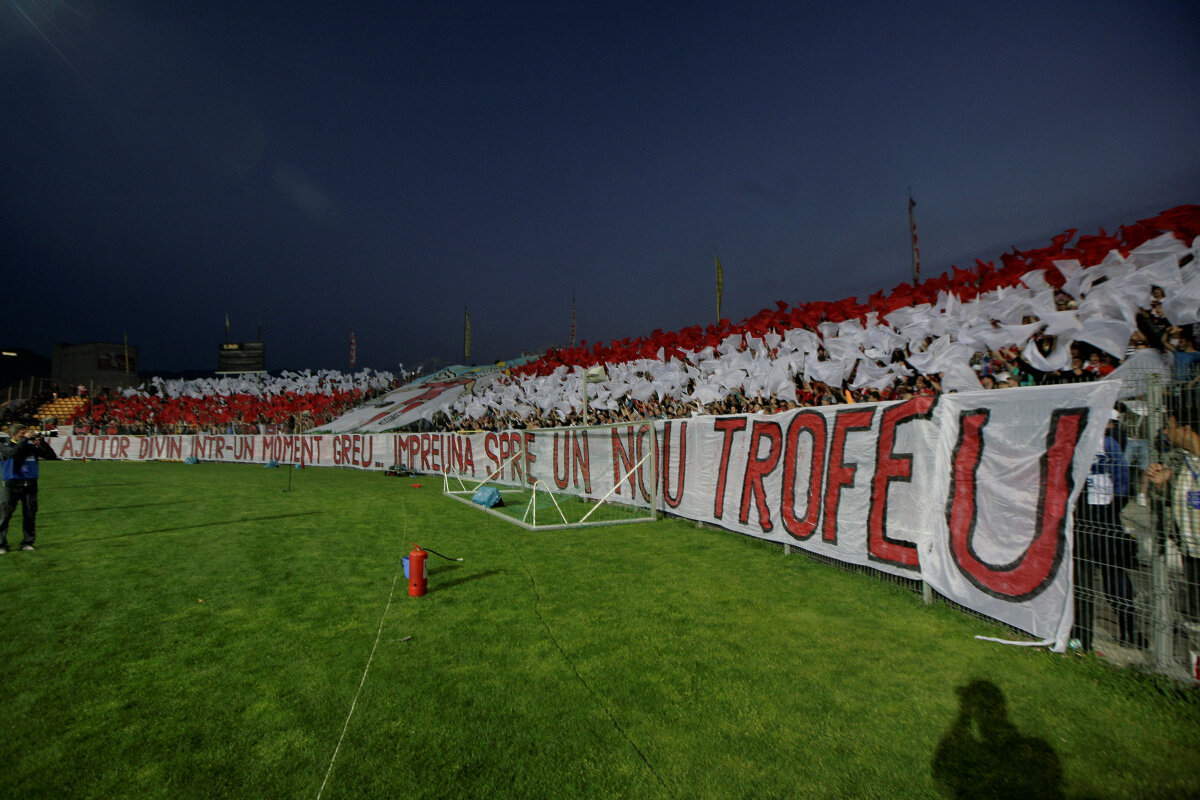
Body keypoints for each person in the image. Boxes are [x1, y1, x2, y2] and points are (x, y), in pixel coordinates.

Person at [1073, 410, 1141, 649]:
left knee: (1085, 576)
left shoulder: (1075, 444)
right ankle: (1128, 631)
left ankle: (1082, 632)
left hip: (1085, 514)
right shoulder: (1108, 444)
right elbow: (1122, 482)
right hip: (1105, 515)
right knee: (1113, 574)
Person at [0, 424, 59, 553]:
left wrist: (42, 441)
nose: (26, 434)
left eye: (26, 432)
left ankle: (27, 542)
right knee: (4, 516)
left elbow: (51, 456)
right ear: (13, 435)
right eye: (22, 433)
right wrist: (26, 439)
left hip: (30, 485)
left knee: (30, 515)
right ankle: (1, 545)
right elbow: (14, 454)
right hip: (11, 486)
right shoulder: (4, 446)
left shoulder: (30, 446)